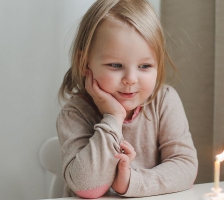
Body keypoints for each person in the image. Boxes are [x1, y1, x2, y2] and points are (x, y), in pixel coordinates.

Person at [56, 0, 198, 198]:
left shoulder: (164, 101)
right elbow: (87, 187)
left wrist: (132, 181)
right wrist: (113, 117)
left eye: (145, 66)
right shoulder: (75, 113)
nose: (131, 79)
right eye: (115, 65)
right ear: (84, 63)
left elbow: (185, 168)